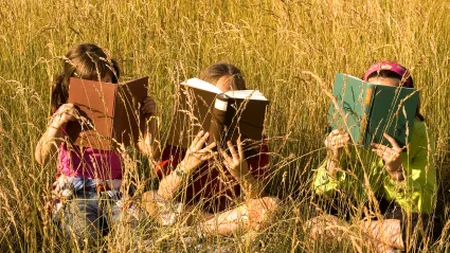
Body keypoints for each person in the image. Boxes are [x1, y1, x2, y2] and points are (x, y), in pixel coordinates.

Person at [34, 43, 160, 246]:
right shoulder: (67, 113)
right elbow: (41, 157)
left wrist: (151, 118)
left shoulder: (122, 108)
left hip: (115, 193)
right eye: (91, 86)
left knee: (137, 234)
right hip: (75, 194)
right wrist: (58, 123)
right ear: (71, 87)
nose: (100, 91)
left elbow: (150, 151)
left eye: (106, 82)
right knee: (85, 236)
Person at [309, 62, 441, 252]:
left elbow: (425, 204)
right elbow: (320, 193)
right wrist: (333, 159)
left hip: (395, 214)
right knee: (313, 221)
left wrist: (397, 173)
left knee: (426, 229)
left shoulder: (420, 134)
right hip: (355, 208)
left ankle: (350, 236)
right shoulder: (348, 126)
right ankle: (381, 247)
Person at [142, 63, 279, 238]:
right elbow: (164, 193)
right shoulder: (185, 134)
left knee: (272, 205)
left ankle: (198, 233)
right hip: (191, 213)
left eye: (229, 99)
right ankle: (212, 229)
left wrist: (243, 176)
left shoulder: (253, 140)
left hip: (232, 213)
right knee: (149, 198)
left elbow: (259, 197)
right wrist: (187, 164)